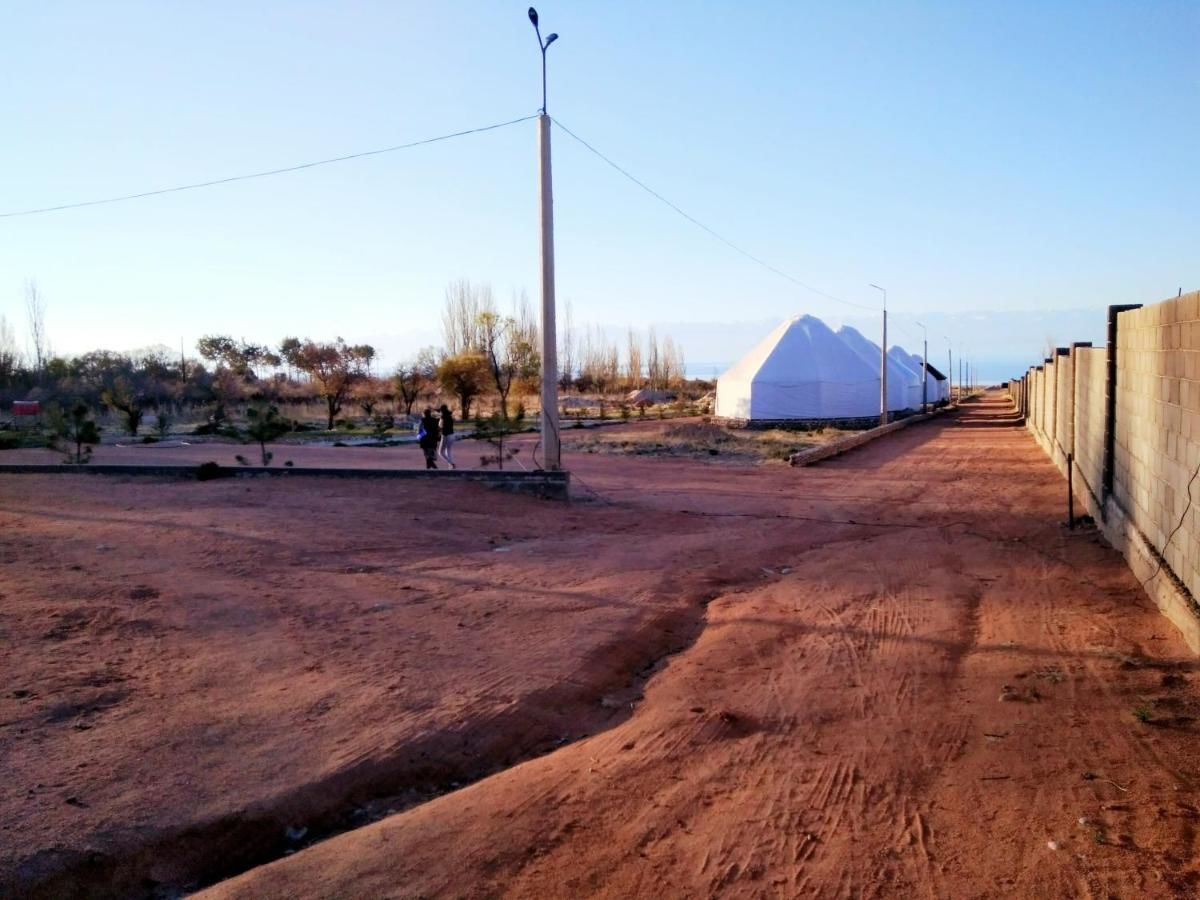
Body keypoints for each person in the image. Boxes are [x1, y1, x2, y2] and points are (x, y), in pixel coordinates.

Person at [438, 404, 457, 469]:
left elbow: (440, 426)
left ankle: (451, 463)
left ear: (442, 411)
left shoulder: (442, 417)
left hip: (445, 435)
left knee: (440, 452)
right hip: (452, 435)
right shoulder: (450, 416)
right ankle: (450, 466)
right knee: (448, 450)